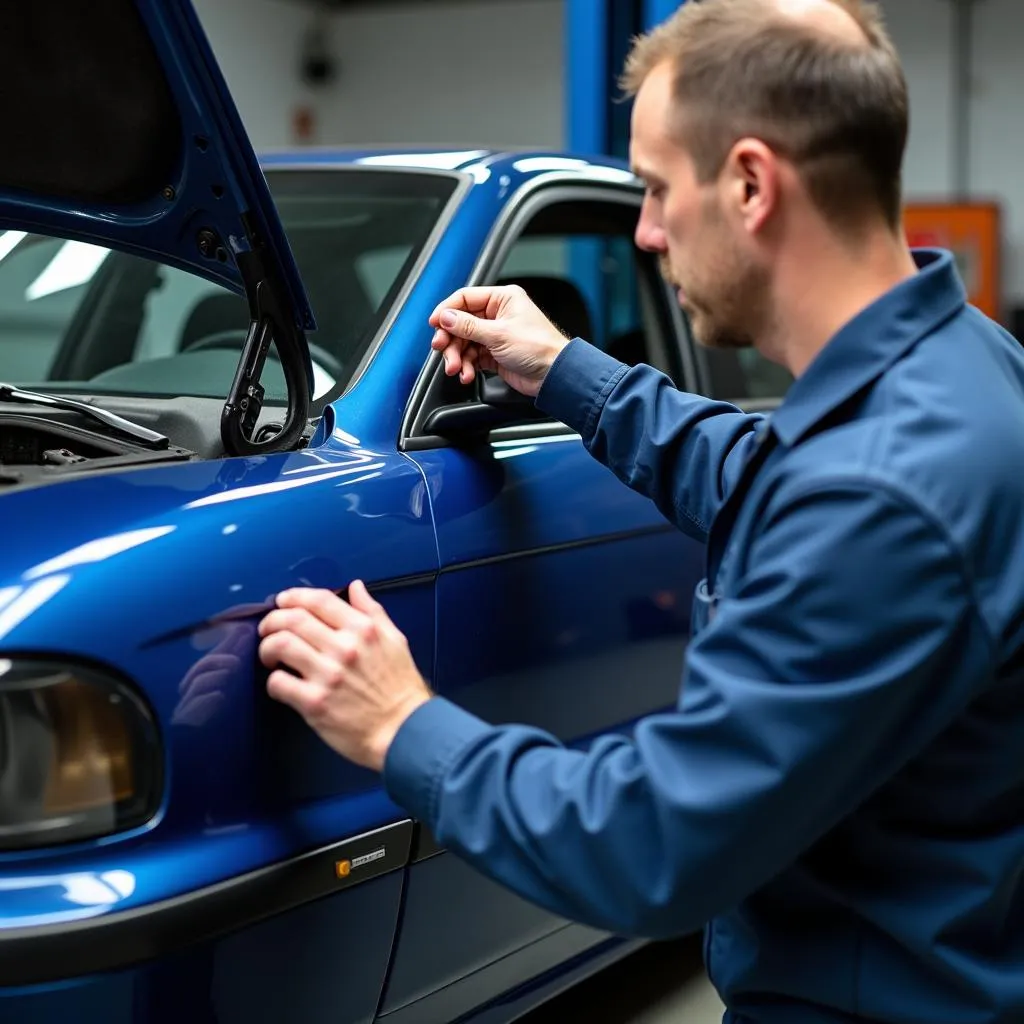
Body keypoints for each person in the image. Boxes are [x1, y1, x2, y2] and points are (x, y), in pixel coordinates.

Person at [256, 0, 1024, 1020]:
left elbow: (655, 844)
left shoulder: (879, 490)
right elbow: (760, 475)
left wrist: (404, 723)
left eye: (657, 190)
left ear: (750, 183)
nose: (648, 233)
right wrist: (566, 369)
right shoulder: (965, 366)